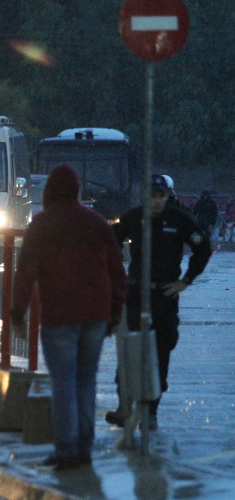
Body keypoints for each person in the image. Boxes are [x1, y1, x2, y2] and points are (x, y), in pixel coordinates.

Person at [11, 164, 126, 470]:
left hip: (60, 315)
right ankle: (84, 447)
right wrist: (115, 313)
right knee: (86, 380)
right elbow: (117, 271)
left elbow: (25, 272)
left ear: (49, 191)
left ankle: (66, 450)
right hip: (96, 315)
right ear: (77, 190)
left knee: (63, 383)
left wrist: (17, 313)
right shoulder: (98, 224)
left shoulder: (42, 224)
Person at [104, 174, 211, 431]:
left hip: (165, 296)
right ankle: (124, 406)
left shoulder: (177, 219)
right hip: (137, 294)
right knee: (130, 350)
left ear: (167, 197)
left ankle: (151, 412)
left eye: (161, 196)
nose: (156, 201)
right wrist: (116, 270)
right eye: (152, 196)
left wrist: (186, 280)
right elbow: (111, 239)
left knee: (160, 352)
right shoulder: (135, 217)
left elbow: (202, 248)